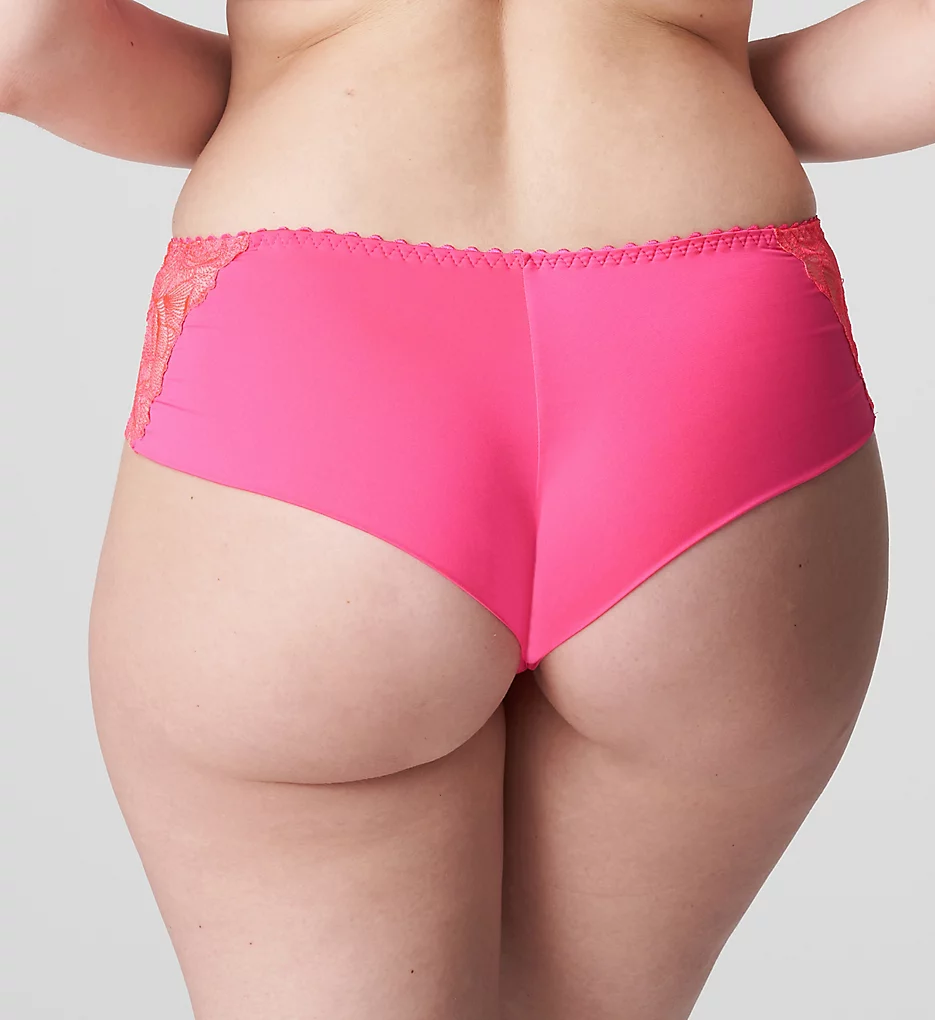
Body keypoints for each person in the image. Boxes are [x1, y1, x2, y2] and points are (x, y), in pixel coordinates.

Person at [1, 2, 929, 1018]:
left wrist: (290, 83)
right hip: (713, 344)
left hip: (318, 338)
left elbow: (30, 36)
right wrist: (697, 77)